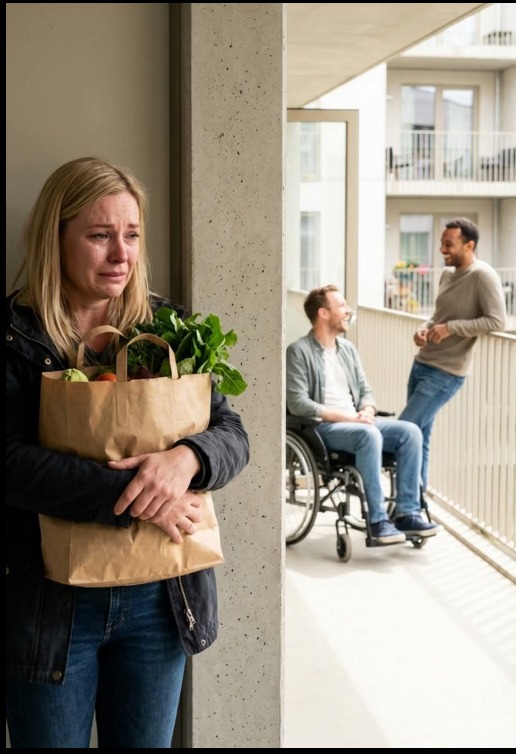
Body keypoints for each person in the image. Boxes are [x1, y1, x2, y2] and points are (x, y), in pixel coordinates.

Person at [6, 156, 250, 748]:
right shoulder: (14, 337)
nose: (122, 254)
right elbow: (10, 464)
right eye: (100, 235)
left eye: (132, 235)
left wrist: (187, 459)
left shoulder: (169, 329)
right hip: (48, 605)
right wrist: (143, 494)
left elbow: (233, 433)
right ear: (55, 238)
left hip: (159, 601)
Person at [286, 284, 441, 545]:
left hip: (357, 422)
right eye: (342, 306)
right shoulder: (298, 351)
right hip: (324, 427)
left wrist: (367, 410)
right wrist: (348, 418)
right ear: (323, 313)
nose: (348, 311)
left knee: (410, 432)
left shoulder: (347, 349)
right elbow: (298, 403)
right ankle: (378, 521)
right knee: (368, 435)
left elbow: (366, 391)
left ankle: (407, 513)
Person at [398, 217, 507, 491]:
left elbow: (497, 321)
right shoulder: (447, 275)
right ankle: (414, 503)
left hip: (446, 373)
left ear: (469, 245)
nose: (442, 249)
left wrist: (452, 328)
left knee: (402, 432)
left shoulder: (483, 276)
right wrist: (424, 329)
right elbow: (438, 317)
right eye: (441, 243)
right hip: (422, 364)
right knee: (418, 437)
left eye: (449, 244)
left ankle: (406, 504)